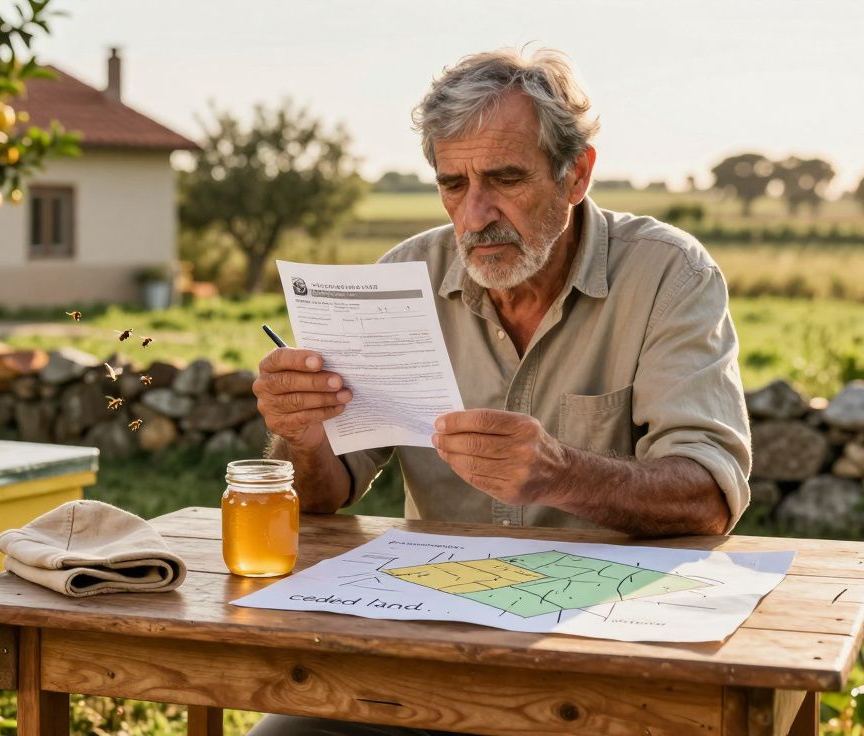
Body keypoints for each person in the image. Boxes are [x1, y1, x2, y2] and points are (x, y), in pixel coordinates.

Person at [248, 48, 751, 736]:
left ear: (576, 174)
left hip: (610, 650)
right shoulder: (405, 277)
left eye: (504, 178)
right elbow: (322, 494)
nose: (475, 213)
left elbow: (709, 494)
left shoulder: (669, 275)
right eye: (452, 183)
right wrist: (298, 435)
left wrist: (561, 474)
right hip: (425, 642)